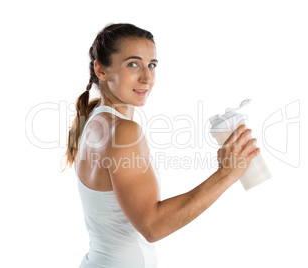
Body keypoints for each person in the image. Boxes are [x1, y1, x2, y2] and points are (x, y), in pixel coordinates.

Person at [62, 23, 260, 268]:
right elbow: (153, 226)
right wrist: (227, 174)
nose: (147, 78)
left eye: (152, 65)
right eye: (133, 64)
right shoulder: (122, 130)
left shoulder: (96, 120)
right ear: (100, 70)